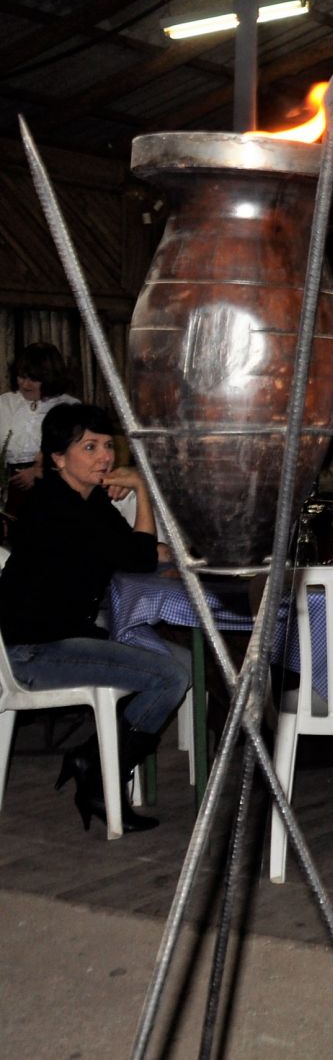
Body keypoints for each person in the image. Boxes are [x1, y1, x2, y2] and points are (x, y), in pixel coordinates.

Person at [0, 403, 189, 833]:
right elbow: (141, 556)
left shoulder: (86, 500)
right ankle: (99, 773)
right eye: (89, 447)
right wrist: (142, 488)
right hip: (32, 650)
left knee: (181, 662)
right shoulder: (57, 507)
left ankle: (91, 759)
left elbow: (143, 549)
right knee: (170, 676)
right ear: (58, 458)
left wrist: (154, 547)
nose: (104, 456)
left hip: (66, 636)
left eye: (107, 445)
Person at [0, 342, 79, 491]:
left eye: (34, 379)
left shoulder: (69, 407)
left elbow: (77, 456)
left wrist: (39, 471)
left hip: (53, 483)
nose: (25, 385)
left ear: (50, 378)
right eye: (22, 377)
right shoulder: (5, 402)